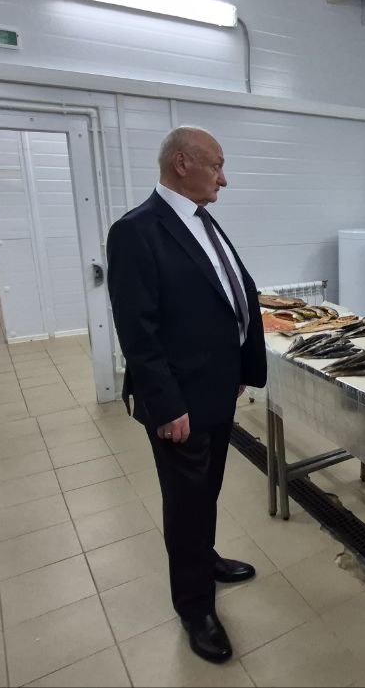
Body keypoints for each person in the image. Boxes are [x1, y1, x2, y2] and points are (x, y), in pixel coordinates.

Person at [106, 126, 266, 664]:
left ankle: (204, 557)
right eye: (216, 165)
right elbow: (138, 331)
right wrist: (167, 405)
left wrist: (239, 366)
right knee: (185, 500)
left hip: (216, 387)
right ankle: (195, 606)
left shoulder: (201, 219)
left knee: (207, 489)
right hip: (180, 401)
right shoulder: (136, 231)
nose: (224, 178)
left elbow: (222, 296)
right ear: (182, 163)